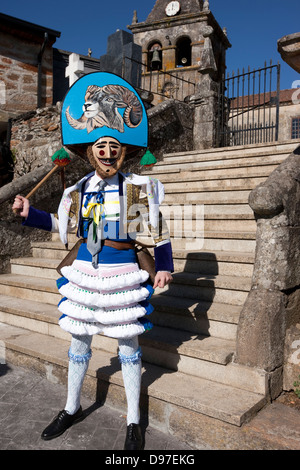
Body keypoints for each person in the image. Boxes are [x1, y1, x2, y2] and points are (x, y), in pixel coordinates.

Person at [12, 72, 173, 450]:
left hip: (122, 271)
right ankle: (70, 406)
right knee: (79, 340)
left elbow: (159, 231)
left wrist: (163, 265)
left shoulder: (138, 188)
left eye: (113, 146)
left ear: (123, 152)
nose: (107, 152)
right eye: (100, 146)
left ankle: (133, 420)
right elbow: (59, 225)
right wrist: (30, 212)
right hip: (85, 270)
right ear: (90, 152)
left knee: (129, 346)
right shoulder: (77, 190)